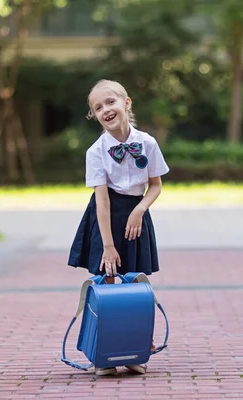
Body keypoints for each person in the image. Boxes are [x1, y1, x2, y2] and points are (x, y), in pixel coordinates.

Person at [67, 79, 169, 376]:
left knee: (137, 283)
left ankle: (135, 350)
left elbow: (155, 186)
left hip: (135, 216)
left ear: (126, 103)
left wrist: (139, 210)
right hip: (106, 218)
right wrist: (108, 246)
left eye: (110, 102)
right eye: (98, 108)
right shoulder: (96, 151)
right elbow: (101, 201)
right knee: (109, 283)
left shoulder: (147, 143)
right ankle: (105, 354)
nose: (105, 110)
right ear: (94, 116)